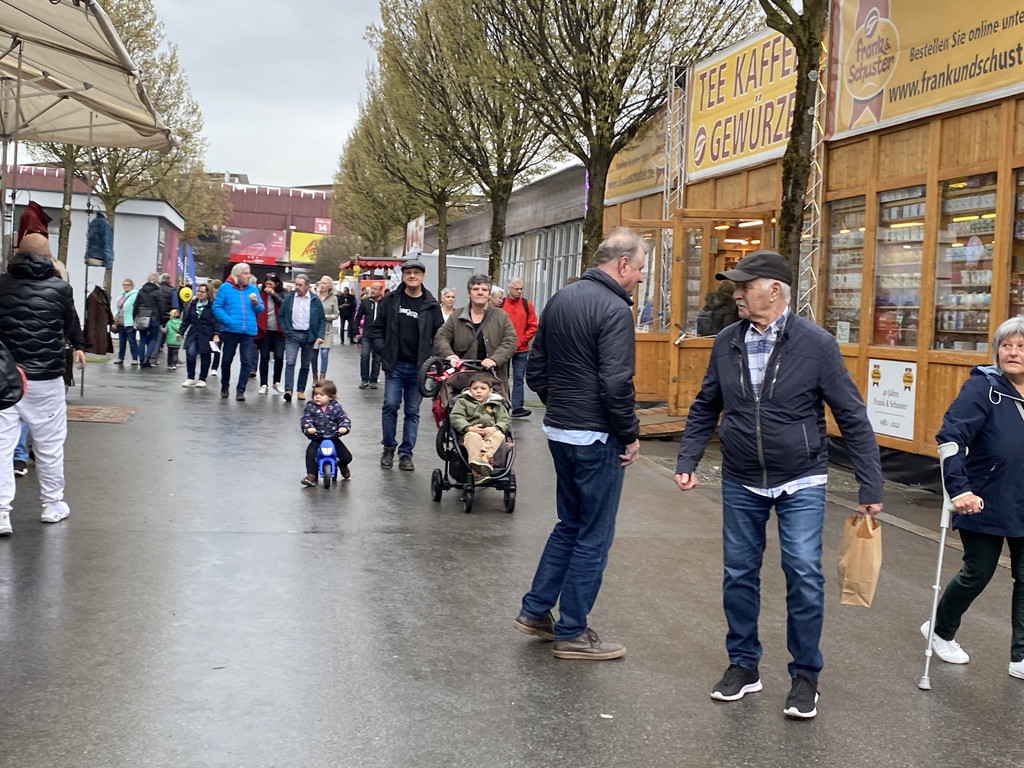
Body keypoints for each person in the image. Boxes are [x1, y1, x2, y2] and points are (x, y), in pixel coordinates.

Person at [673, 249, 883, 720]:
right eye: (736, 286)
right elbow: (707, 403)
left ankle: (805, 675)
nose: (737, 293)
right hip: (741, 476)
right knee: (738, 573)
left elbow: (851, 414)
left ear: (774, 290)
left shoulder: (816, 343)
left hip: (801, 476)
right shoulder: (727, 340)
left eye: (745, 286)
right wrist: (688, 457)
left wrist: (870, 485)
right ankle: (743, 666)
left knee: (803, 571)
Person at [514, 228, 644, 661]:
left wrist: (561, 405)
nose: (641, 277)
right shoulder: (615, 309)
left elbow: (537, 368)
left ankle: (536, 611)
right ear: (622, 264)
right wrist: (630, 433)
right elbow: (616, 382)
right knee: (593, 533)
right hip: (597, 435)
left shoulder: (559, 299)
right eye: (640, 268)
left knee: (569, 524)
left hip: (561, 429)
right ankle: (572, 630)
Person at [923, 317, 1024, 680]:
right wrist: (959, 489)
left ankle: (1021, 657)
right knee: (978, 572)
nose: (1013, 352)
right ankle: (940, 631)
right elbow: (951, 438)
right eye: (1006, 345)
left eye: (1021, 346)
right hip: (983, 497)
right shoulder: (983, 388)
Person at [0, 233, 85, 536]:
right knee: (49, 445)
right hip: (45, 377)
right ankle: (52, 504)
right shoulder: (61, 289)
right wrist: (79, 345)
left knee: (2, 445)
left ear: (17, 253)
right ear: (49, 257)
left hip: (5, 376)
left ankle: (1, 513)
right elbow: (70, 324)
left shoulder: (1, 285)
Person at [367, 259, 443, 471]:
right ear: (403, 276)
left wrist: (434, 359)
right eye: (408, 272)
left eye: (416, 272)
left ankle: (406, 453)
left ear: (423, 276)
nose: (412, 276)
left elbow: (440, 335)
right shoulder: (391, 300)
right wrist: (383, 350)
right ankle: (388, 448)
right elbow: (376, 329)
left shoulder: (431, 305)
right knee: (390, 405)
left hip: (420, 368)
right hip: (395, 365)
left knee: (412, 411)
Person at [434, 274, 518, 380]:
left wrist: (495, 359)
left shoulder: (501, 316)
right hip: (462, 378)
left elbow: (510, 341)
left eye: (484, 289)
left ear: (489, 294)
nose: (480, 292)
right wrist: (449, 355)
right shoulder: (456, 316)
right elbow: (441, 337)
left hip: (493, 379)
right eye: (475, 289)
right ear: (469, 293)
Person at [211, 263, 264, 401]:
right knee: (227, 359)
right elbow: (216, 307)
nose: (248, 276)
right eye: (245, 273)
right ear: (237, 275)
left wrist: (256, 304)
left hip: (248, 331)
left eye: (249, 273)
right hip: (231, 330)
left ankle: (241, 390)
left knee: (247, 361)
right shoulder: (225, 287)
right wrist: (228, 320)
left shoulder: (252, 288)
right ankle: (225, 385)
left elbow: (260, 309)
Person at [449, 372, 511, 482]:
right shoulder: (463, 402)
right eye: (475, 388)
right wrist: (469, 428)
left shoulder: (496, 403)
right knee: (473, 436)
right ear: (470, 390)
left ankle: (485, 457)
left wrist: (495, 428)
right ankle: (477, 464)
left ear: (490, 391)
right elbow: (456, 417)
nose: (478, 391)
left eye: (483, 388)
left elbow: (504, 419)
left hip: (490, 433)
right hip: (470, 433)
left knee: (499, 435)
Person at [279, 274, 326, 403]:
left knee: (305, 365)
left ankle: (300, 390)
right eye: (296, 284)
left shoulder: (315, 300)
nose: (297, 287)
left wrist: (320, 335)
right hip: (292, 334)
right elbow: (281, 315)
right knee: (290, 361)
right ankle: (288, 390)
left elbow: (322, 319)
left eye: (300, 285)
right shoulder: (289, 298)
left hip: (309, 336)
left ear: (307, 286)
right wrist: (285, 329)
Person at [300, 379, 353, 486]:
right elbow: (306, 419)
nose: (317, 397)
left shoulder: (335, 407)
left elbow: (343, 418)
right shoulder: (311, 407)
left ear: (330, 396)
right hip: (317, 437)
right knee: (310, 454)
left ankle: (342, 465)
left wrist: (344, 427)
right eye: (315, 394)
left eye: (321, 394)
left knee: (346, 457)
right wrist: (309, 427)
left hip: (333, 437)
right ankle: (311, 475)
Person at [500, 277, 538, 418]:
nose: (520, 291)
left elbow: (533, 325)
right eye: (517, 289)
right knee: (502, 377)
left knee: (518, 377)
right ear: (509, 288)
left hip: (521, 348)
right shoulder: (501, 304)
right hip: (503, 348)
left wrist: (522, 340)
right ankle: (503, 404)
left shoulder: (526, 304)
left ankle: (517, 407)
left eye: (521, 289)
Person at [179, 283, 219, 387]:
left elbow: (216, 321)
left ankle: (202, 379)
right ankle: (190, 377)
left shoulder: (212, 305)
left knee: (205, 356)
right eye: (198, 291)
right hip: (194, 332)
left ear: (208, 293)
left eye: (202, 292)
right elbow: (187, 319)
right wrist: (180, 332)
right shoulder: (193, 303)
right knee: (190, 353)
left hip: (207, 333)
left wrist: (217, 334)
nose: (199, 293)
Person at [254, 274, 286, 395]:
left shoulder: (283, 293)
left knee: (279, 356)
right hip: (265, 329)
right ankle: (263, 384)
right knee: (264, 356)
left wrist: (273, 294)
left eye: (270, 284)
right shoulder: (260, 294)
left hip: (278, 330)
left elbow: (284, 305)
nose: (267, 286)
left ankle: (276, 381)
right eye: (266, 284)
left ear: (276, 284)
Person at [134, 273, 168, 368]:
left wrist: (134, 316)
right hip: (154, 317)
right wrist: (163, 319)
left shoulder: (141, 291)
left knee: (142, 339)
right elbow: (161, 307)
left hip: (142, 317)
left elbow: (136, 305)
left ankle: (141, 359)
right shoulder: (158, 292)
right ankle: (147, 358)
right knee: (153, 338)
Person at [354, 282, 384, 389]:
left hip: (380, 335)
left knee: (377, 358)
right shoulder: (366, 302)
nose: (372, 290)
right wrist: (356, 331)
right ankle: (364, 379)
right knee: (365, 356)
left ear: (380, 290)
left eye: (375, 289)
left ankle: (373, 380)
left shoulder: (385, 303)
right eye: (372, 288)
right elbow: (358, 316)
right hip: (367, 334)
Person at [312, 275, 339, 383]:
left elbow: (336, 314)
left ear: (330, 286)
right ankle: (314, 377)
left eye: (325, 283)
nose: (322, 285)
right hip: (315, 329)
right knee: (313, 355)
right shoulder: (314, 296)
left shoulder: (334, 298)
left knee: (324, 353)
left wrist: (326, 317)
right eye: (321, 283)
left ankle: (322, 377)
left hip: (327, 330)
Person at [113, 278, 139, 365]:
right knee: (122, 341)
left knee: (132, 340)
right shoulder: (121, 295)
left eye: (127, 285)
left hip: (130, 322)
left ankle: (134, 358)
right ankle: (120, 357)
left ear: (131, 286)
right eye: (124, 285)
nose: (125, 286)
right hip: (121, 321)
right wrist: (113, 316)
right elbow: (118, 308)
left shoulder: (135, 295)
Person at [207, 279, 223, 377]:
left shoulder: (220, 298)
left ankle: (214, 367)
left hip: (219, 325)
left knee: (217, 347)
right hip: (211, 325)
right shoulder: (210, 298)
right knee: (209, 347)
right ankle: (212, 367)